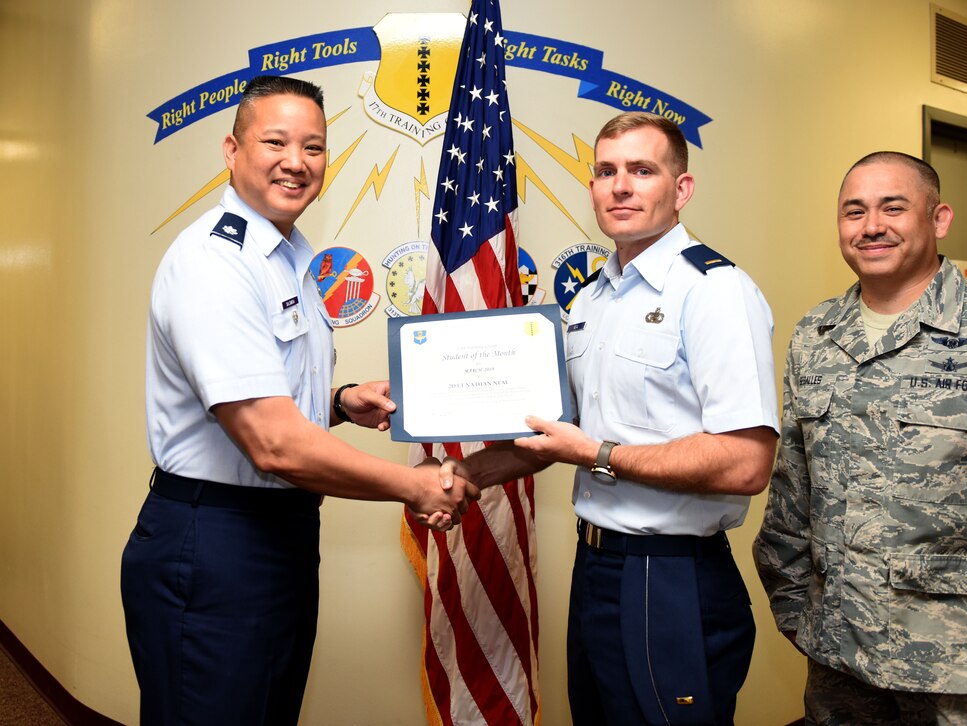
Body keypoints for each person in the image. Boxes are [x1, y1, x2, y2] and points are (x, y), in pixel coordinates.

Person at [120, 75, 478, 725]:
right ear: (232, 150)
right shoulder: (216, 261)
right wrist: (414, 486)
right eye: (275, 141)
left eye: (313, 147)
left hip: (276, 533)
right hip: (216, 538)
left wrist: (341, 400)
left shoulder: (287, 256)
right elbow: (272, 440)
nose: (296, 161)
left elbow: (263, 395)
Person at [447, 111, 780, 725]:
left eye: (642, 170)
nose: (620, 186)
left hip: (671, 576)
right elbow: (554, 437)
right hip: (597, 566)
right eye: (606, 171)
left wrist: (598, 455)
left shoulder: (714, 292)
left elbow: (745, 463)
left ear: (681, 190)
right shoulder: (591, 301)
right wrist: (465, 476)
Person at [754, 151, 967, 724]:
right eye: (853, 211)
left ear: (939, 220)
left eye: (893, 207)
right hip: (840, 663)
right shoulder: (817, 335)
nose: (872, 225)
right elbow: (791, 496)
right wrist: (797, 612)